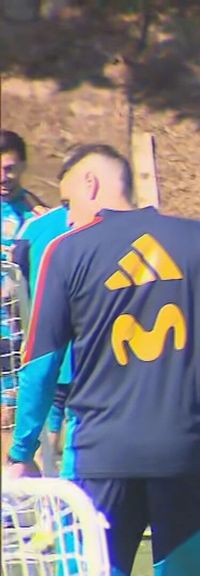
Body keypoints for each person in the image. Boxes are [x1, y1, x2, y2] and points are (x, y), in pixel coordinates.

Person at [5, 144, 200, 576]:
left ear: (91, 183)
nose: (67, 217)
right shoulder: (198, 239)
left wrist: (21, 452)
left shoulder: (66, 250)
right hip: (187, 452)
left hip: (99, 458)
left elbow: (41, 360)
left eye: (68, 203)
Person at [11, 202, 73, 477]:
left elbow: (15, 282)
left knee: (50, 417)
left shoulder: (35, 227)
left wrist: (23, 326)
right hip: (93, 354)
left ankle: (51, 486)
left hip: (46, 347)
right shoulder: (106, 226)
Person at [1, 130, 46, 442]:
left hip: (14, 334)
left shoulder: (36, 215)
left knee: (8, 421)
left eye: (9, 168)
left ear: (23, 166)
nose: (3, 177)